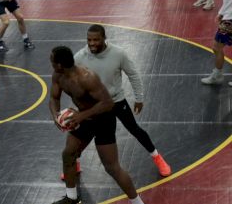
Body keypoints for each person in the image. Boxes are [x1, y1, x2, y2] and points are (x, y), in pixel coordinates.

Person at [69, 24, 171, 179]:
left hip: (116, 102)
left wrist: (139, 97)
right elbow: (71, 81)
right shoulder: (79, 57)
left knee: (134, 129)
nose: (92, 43)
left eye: (96, 40)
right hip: (94, 106)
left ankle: (157, 157)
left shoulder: (118, 54)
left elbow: (133, 74)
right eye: (89, 40)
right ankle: (73, 162)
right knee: (83, 135)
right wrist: (79, 105)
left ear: (104, 38)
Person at [49, 46, 145, 204]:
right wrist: (56, 116)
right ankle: (72, 198)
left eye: (52, 60)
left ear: (59, 64)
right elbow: (54, 98)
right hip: (83, 120)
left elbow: (108, 103)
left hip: (103, 120)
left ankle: (137, 203)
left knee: (112, 168)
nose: (50, 63)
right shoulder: (58, 76)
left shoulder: (87, 78)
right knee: (68, 154)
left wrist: (81, 116)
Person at [201, 0, 232, 85]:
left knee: (216, 47)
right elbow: (229, 0)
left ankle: (217, 75)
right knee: (216, 47)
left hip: (229, 20)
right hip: (228, 17)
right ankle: (217, 74)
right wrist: (221, 12)